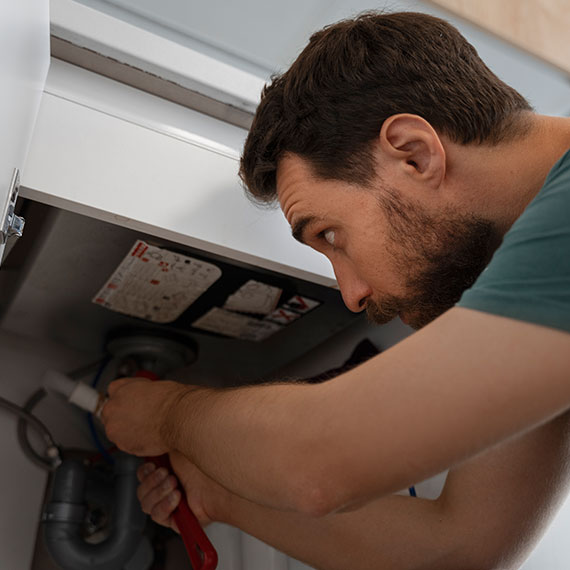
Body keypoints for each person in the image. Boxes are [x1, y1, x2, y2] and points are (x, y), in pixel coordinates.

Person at [101, 11, 570, 570]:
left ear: (414, 153)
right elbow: (460, 546)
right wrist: (220, 494)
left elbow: (320, 461)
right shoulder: (535, 280)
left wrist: (169, 414)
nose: (350, 294)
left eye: (331, 235)